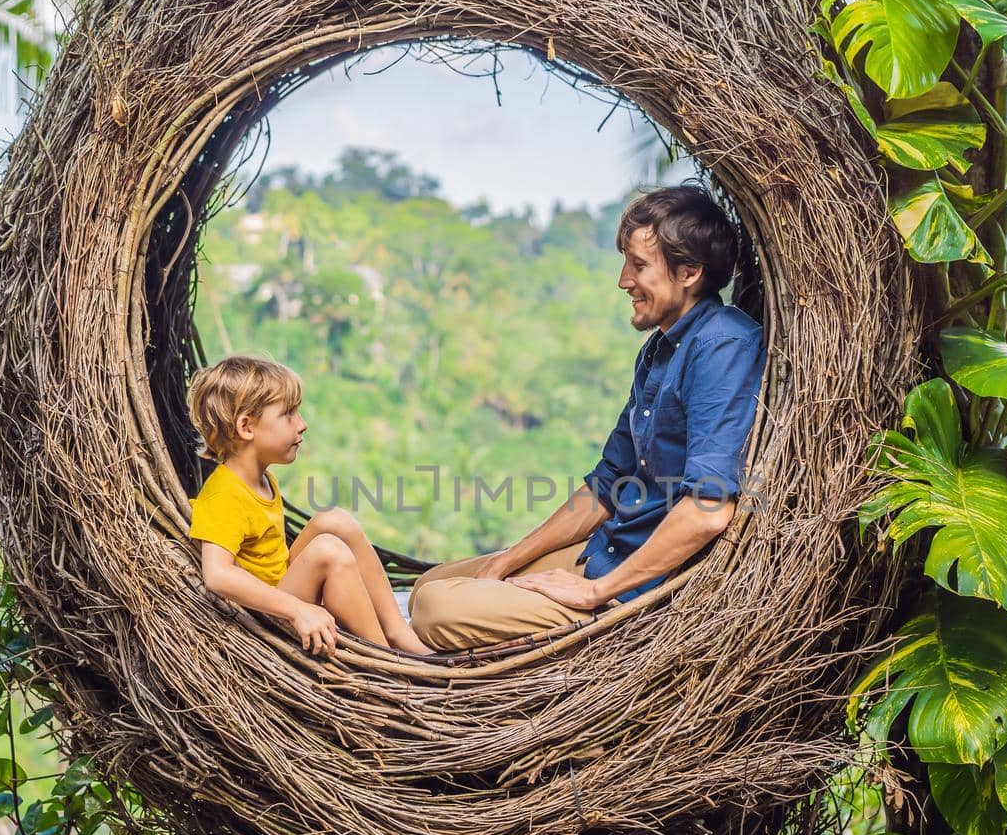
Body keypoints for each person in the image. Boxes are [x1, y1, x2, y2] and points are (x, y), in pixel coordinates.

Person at [409, 183, 765, 651]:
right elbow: (607, 484)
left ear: (689, 272)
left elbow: (708, 511)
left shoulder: (723, 346)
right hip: (606, 549)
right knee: (428, 585)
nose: (623, 281)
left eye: (638, 265)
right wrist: (506, 562)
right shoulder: (660, 349)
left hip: (633, 586)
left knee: (439, 610)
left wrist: (595, 591)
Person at [187, 355, 432, 656]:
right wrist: (296, 609)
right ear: (246, 427)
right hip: (265, 616)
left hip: (280, 589)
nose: (301, 425)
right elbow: (217, 575)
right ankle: (387, 658)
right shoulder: (223, 495)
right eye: (288, 414)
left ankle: (397, 633)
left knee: (335, 521)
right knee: (327, 550)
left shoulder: (261, 479)